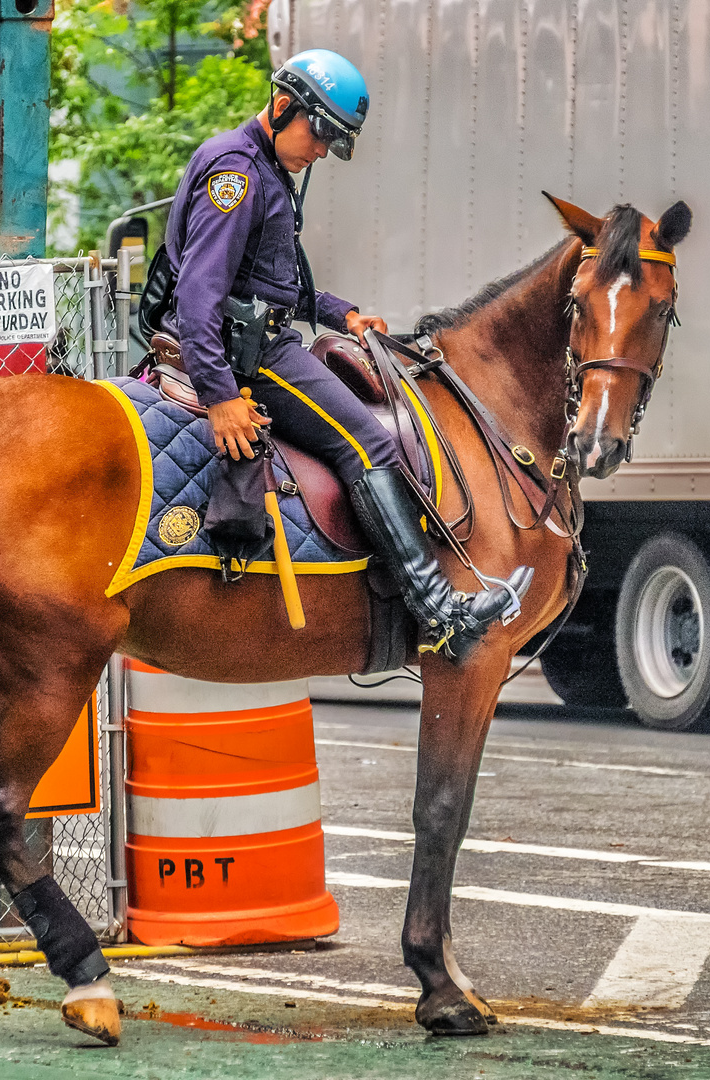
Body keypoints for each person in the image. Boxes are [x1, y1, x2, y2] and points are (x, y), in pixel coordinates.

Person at [160, 49, 530, 661]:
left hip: (266, 337)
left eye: (336, 140)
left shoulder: (266, 169)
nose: (323, 151)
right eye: (320, 132)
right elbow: (200, 297)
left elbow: (269, 278)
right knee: (370, 442)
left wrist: (340, 314)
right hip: (252, 357)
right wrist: (222, 397)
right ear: (283, 108)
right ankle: (437, 608)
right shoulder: (239, 174)